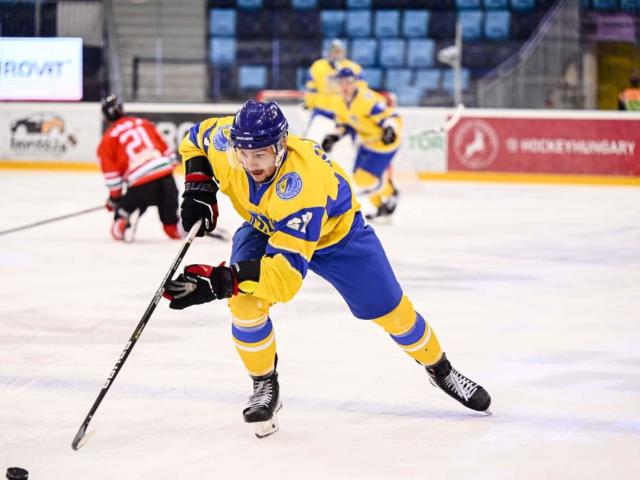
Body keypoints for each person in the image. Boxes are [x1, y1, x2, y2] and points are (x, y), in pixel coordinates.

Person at [163, 100, 491, 439]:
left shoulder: (302, 184)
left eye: (259, 154)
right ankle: (264, 384)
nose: (249, 163)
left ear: (281, 146)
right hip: (265, 226)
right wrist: (199, 187)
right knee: (245, 304)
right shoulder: (227, 143)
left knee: (393, 313)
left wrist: (221, 281)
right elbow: (194, 139)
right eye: (242, 153)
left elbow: (284, 280)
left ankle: (441, 369)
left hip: (337, 236)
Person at [98, 94, 182, 241]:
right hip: (166, 179)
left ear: (105, 116)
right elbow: (169, 155)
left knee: (117, 229)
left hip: (140, 185)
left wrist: (115, 200)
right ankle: (179, 226)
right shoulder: (143, 123)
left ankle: (124, 218)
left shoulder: (107, 139)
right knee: (171, 227)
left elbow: (113, 180)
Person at [322, 67, 400, 221]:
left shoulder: (368, 99)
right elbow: (343, 124)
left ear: (356, 82)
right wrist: (333, 137)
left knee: (366, 179)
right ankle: (380, 205)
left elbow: (390, 116)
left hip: (384, 145)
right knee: (359, 179)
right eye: (341, 82)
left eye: (348, 82)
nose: (344, 86)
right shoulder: (338, 102)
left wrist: (390, 128)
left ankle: (391, 193)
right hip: (365, 143)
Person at [303, 39, 366, 144]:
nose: (336, 54)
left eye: (339, 51)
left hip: (345, 114)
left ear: (344, 52)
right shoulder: (318, 66)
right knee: (311, 143)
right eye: (334, 51)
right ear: (328, 52)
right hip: (322, 111)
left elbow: (361, 90)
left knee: (349, 147)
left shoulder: (354, 68)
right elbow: (311, 89)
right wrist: (309, 104)